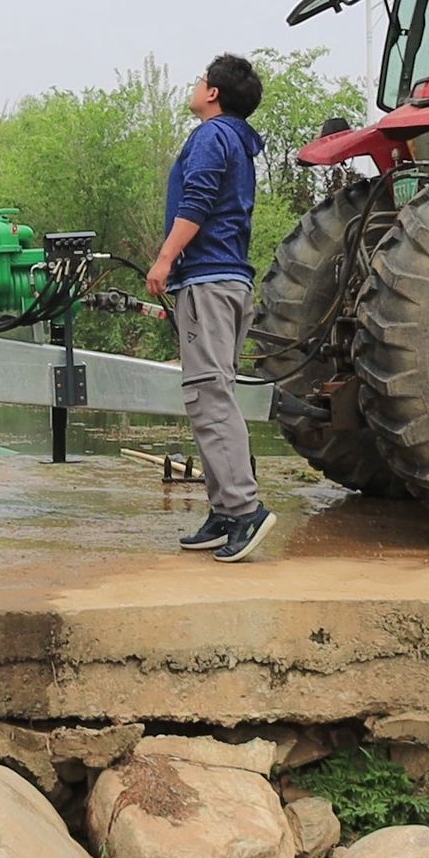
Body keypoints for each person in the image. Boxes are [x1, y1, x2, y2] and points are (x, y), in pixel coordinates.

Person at [145, 54, 274, 562]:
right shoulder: (239, 142)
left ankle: (245, 510)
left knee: (208, 396)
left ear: (214, 93)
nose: (196, 85)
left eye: (201, 79)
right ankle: (224, 510)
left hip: (208, 281)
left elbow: (194, 204)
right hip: (229, 281)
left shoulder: (211, 136)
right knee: (212, 395)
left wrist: (163, 260)